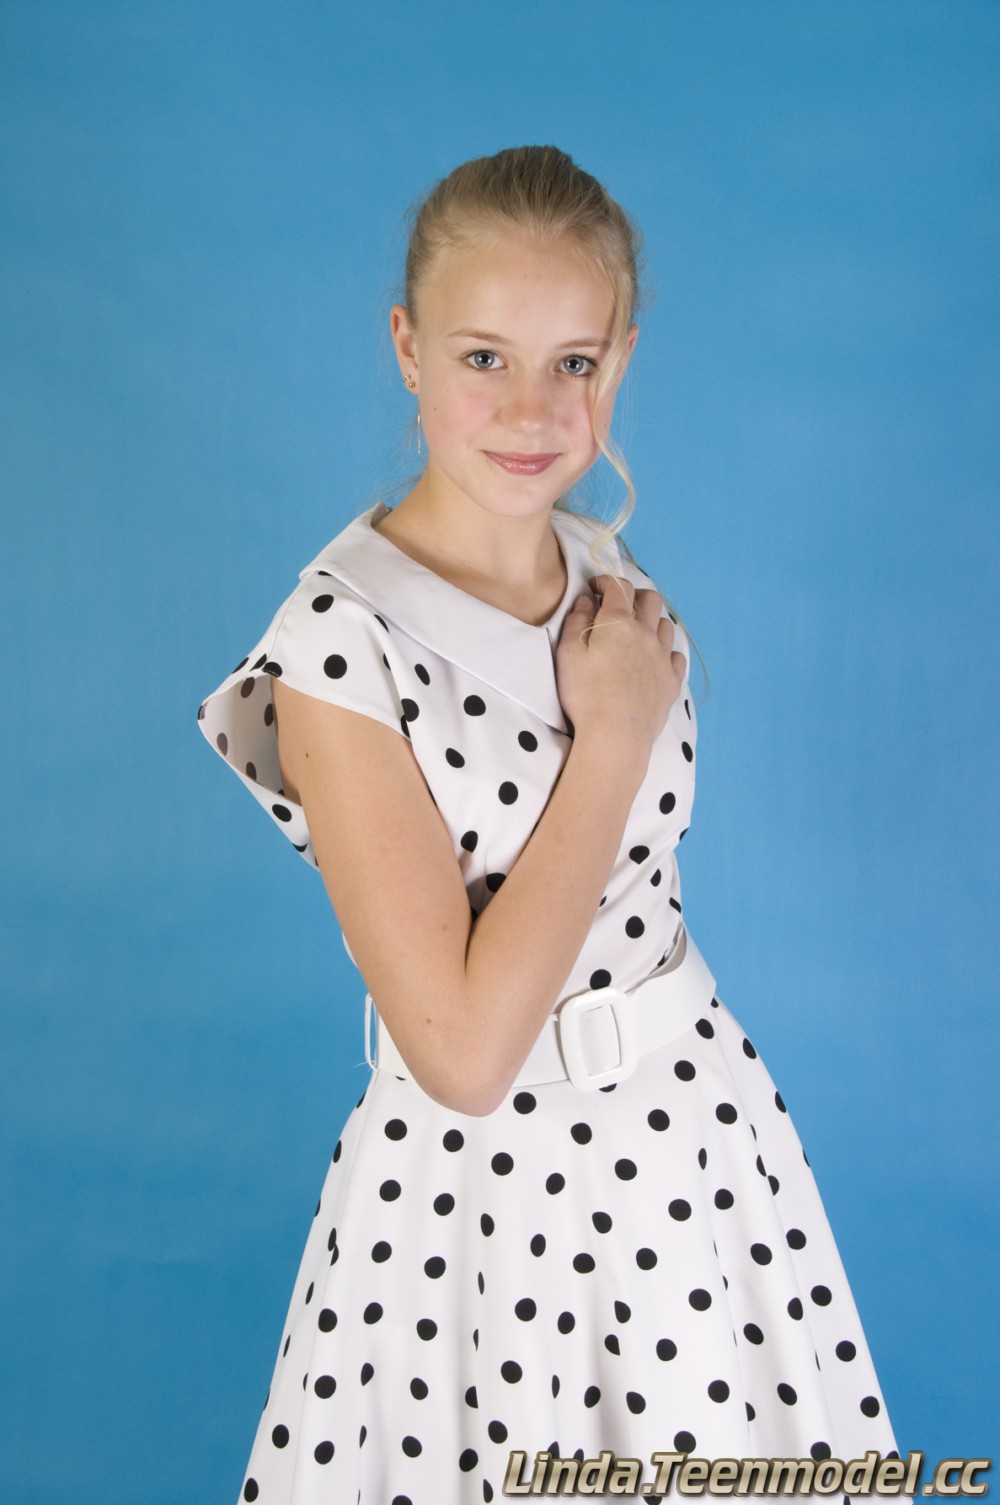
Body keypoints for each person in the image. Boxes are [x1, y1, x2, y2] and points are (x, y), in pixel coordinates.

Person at [198, 145, 895, 1505]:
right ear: (408, 350)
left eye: (574, 362)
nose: (532, 411)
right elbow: (462, 1055)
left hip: (695, 1148)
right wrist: (614, 741)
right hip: (490, 1202)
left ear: (621, 359)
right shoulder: (339, 646)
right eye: (483, 359)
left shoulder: (600, 566)